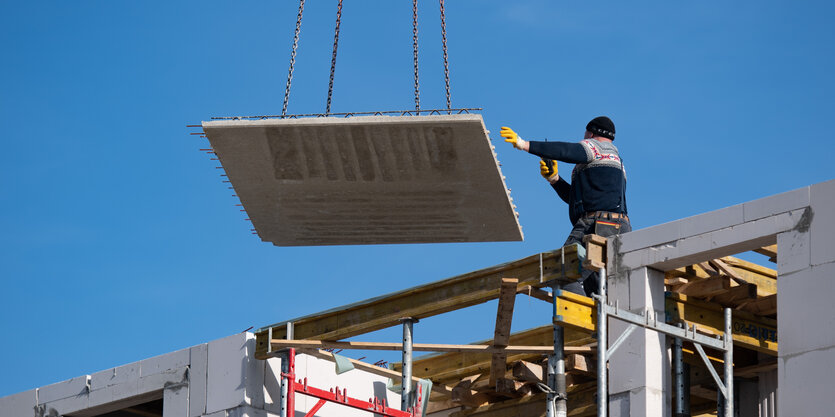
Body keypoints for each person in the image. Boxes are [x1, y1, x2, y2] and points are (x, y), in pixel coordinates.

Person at [500, 116, 630, 296]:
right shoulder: (617, 162)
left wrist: (524, 144)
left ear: (591, 133)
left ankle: (576, 323)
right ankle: (600, 322)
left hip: (596, 226)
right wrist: (555, 180)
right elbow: (580, 199)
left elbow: (565, 150)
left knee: (562, 274)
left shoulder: (596, 147)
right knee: (597, 288)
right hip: (617, 228)